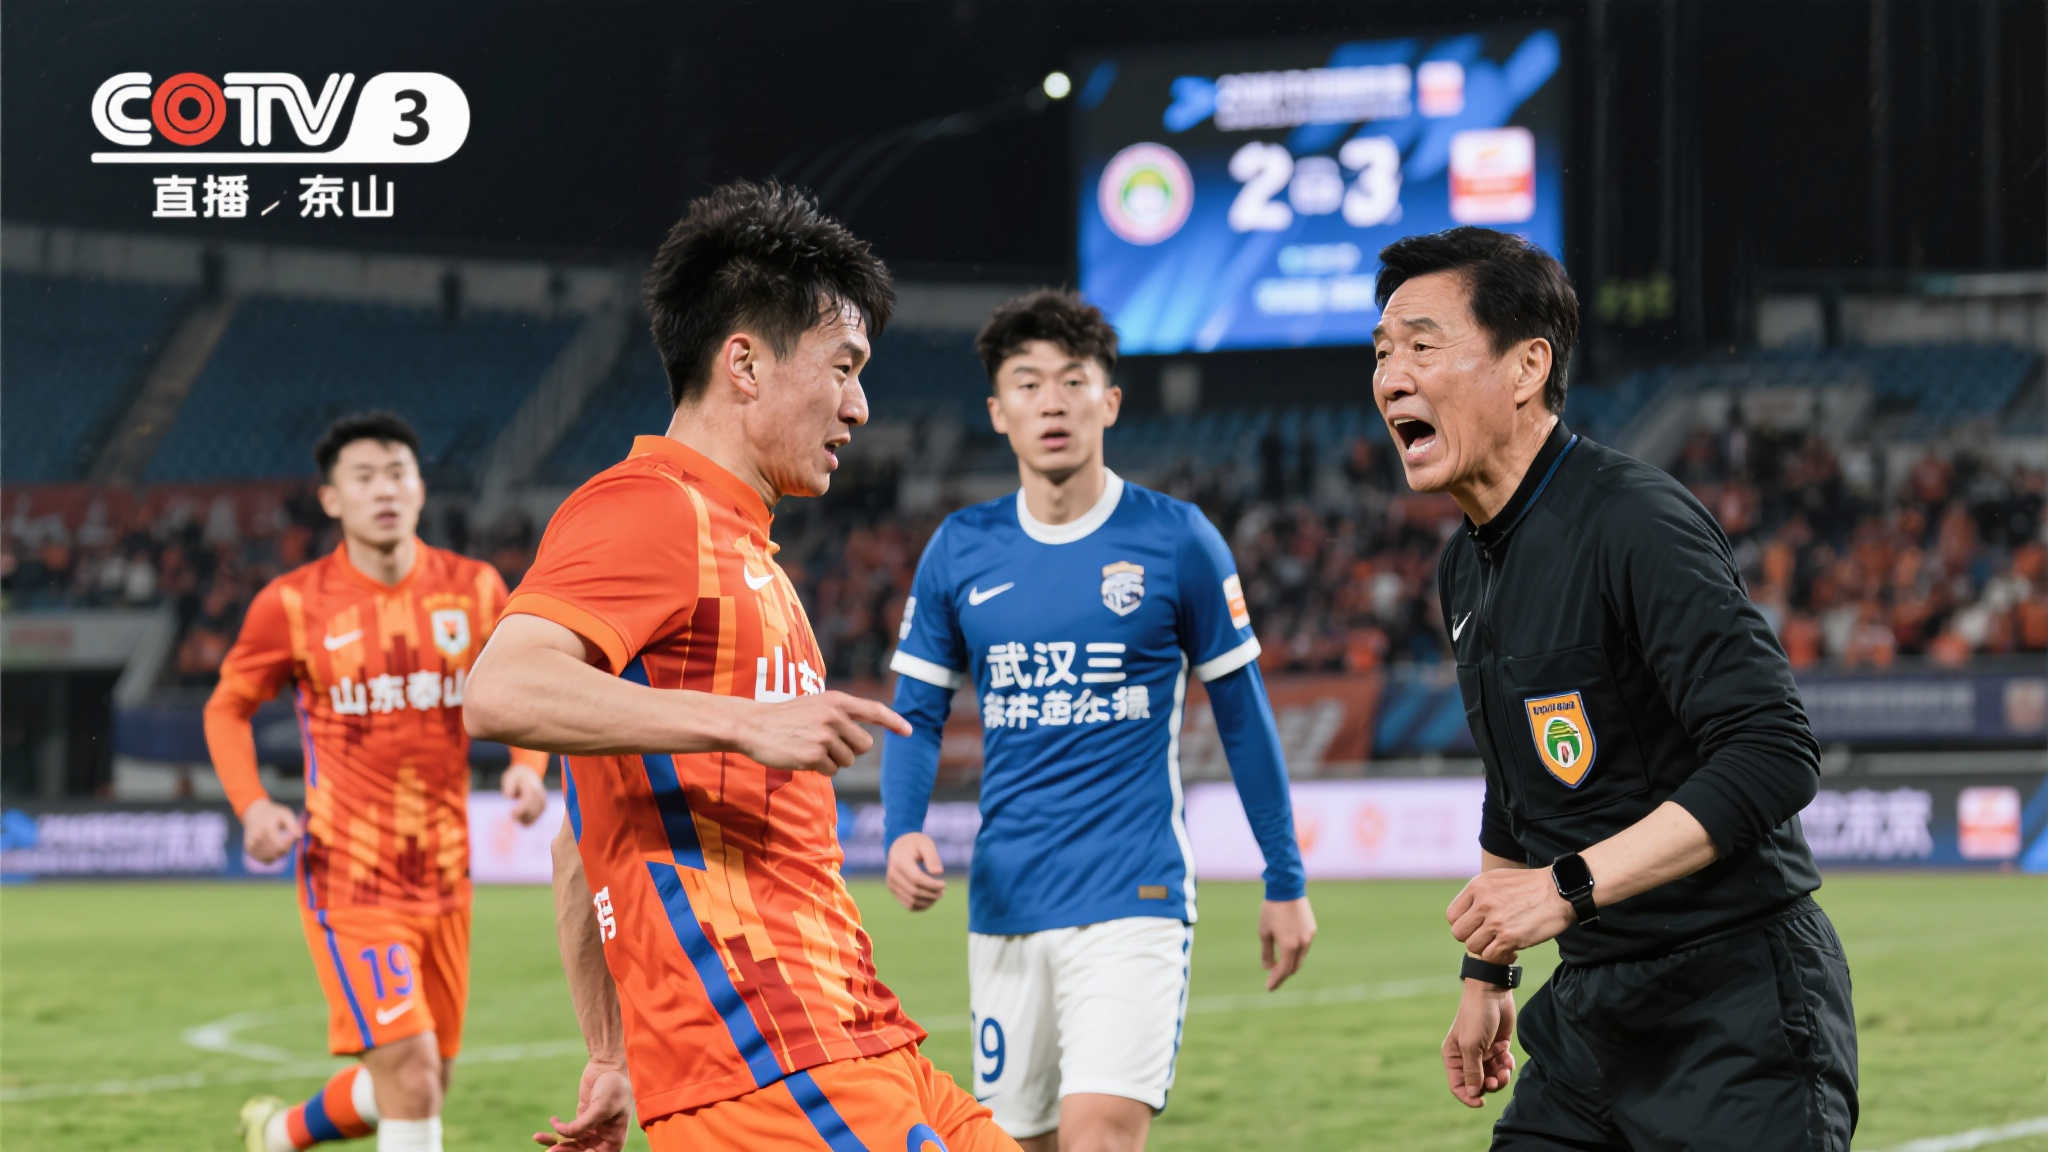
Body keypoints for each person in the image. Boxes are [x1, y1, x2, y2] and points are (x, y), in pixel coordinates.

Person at [462, 180, 1019, 1152]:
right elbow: (499, 689)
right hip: (768, 1056)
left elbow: (579, 842)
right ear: (746, 364)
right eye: (843, 367)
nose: (859, 406)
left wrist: (610, 1054)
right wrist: (744, 724)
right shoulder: (649, 508)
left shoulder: (742, 550)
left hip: (857, 1036)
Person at [1368, 226, 1857, 1150]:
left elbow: (1773, 752)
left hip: (1735, 1014)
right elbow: (1516, 790)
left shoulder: (1636, 519)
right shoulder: (1464, 567)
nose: (1392, 377)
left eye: (1422, 347)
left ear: (1527, 367)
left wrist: (1567, 888)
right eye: (1383, 353)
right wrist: (1487, 974)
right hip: (1591, 1020)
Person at [880, 289, 1316, 1152]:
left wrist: (1285, 877)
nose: (1052, 402)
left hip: (1134, 895)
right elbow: (918, 714)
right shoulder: (959, 549)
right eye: (1028, 383)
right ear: (998, 412)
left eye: (1073, 381)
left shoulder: (1178, 540)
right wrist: (901, 831)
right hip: (1005, 902)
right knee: (1017, 1144)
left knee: (1100, 1138)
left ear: (1109, 402)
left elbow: (1242, 713)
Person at [208, 412, 552, 1152]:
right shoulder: (293, 604)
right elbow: (227, 708)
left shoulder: (475, 590)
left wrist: (527, 770)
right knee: (412, 1072)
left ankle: (277, 1134)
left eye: (398, 474)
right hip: (351, 873)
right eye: (363, 478)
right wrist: (254, 806)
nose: (384, 490)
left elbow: (524, 687)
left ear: (421, 488)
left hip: (445, 871)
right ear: (332, 500)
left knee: (424, 1079)